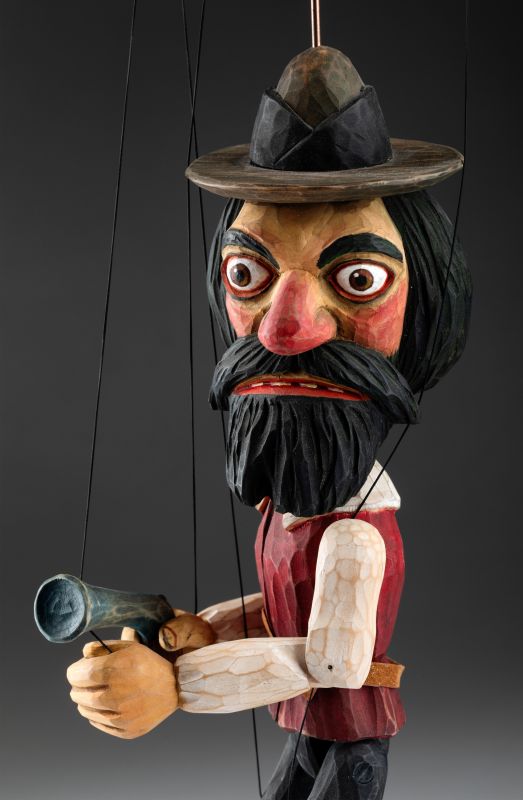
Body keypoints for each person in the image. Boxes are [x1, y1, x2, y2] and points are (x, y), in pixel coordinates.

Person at [66, 45, 471, 800]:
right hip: (303, 725)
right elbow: (284, 614)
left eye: (357, 279)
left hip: (349, 738)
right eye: (247, 274)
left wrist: (178, 686)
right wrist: (208, 630)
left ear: (425, 308)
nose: (283, 330)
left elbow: (331, 662)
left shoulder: (353, 535)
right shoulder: (286, 511)